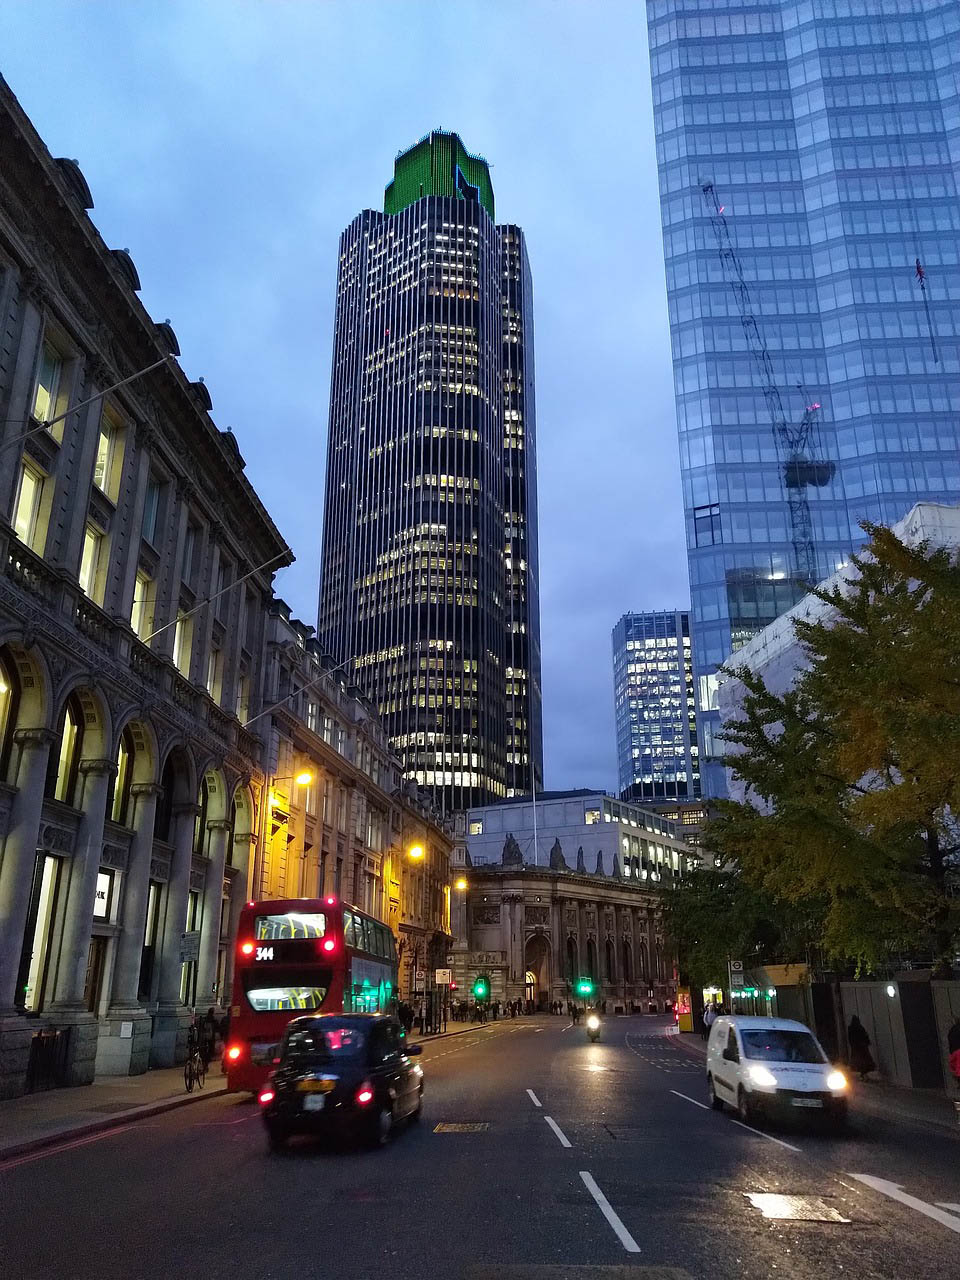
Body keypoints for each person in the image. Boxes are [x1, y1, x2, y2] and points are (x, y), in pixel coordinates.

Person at [847, 1015, 875, 1081]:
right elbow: (864, 1036)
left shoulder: (851, 1028)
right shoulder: (859, 1027)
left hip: (857, 1048)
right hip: (862, 1048)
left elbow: (850, 1039)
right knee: (864, 1061)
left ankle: (863, 1074)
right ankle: (863, 1074)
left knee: (859, 1062)